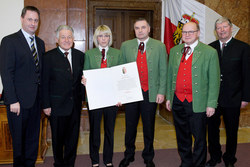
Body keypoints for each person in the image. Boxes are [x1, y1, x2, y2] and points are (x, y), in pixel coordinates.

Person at [166, 21, 220, 167]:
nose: (187, 35)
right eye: (184, 32)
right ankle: (186, 162)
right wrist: (169, 98)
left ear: (198, 33)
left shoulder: (209, 52)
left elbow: (214, 81)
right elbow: (170, 75)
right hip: (178, 100)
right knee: (182, 136)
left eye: (191, 32)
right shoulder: (175, 51)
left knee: (199, 137)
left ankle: (198, 164)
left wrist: (211, 104)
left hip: (198, 102)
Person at [118, 18, 167, 167]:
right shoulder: (126, 46)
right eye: (137, 28)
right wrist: (121, 92)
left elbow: (163, 70)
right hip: (131, 92)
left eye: (143, 27)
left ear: (149, 29)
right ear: (134, 30)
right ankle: (129, 155)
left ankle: (148, 156)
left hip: (150, 92)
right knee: (130, 126)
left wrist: (161, 91)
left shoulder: (159, 46)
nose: (140, 30)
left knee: (148, 126)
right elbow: (121, 70)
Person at [0, 6, 45, 167]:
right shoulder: (9, 41)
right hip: (17, 104)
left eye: (36, 20)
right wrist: (12, 100)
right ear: (21, 19)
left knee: (33, 141)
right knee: (19, 143)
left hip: (35, 103)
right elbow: (6, 73)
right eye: (29, 19)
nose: (33, 23)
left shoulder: (40, 43)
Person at [206, 17, 250, 167]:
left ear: (231, 28)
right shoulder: (209, 48)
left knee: (232, 132)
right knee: (212, 131)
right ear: (215, 31)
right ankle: (215, 156)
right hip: (212, 99)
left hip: (234, 98)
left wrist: (246, 97)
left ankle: (230, 158)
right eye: (219, 27)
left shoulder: (243, 48)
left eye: (225, 27)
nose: (222, 30)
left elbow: (247, 74)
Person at [41, 25, 85, 167]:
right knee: (58, 140)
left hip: (75, 106)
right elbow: (44, 83)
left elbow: (81, 79)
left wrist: (85, 82)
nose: (66, 40)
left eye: (69, 37)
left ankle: (69, 164)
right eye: (63, 37)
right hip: (56, 108)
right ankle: (59, 164)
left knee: (73, 140)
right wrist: (46, 105)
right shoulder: (48, 57)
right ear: (57, 39)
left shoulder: (80, 56)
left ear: (73, 39)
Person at [83, 25, 123, 167]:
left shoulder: (118, 54)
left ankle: (108, 159)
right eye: (101, 36)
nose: (104, 39)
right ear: (96, 38)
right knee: (94, 130)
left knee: (109, 130)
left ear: (110, 38)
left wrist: (120, 97)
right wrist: (84, 80)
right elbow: (85, 73)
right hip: (95, 98)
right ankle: (94, 159)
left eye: (106, 35)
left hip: (112, 99)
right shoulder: (89, 54)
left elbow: (121, 77)